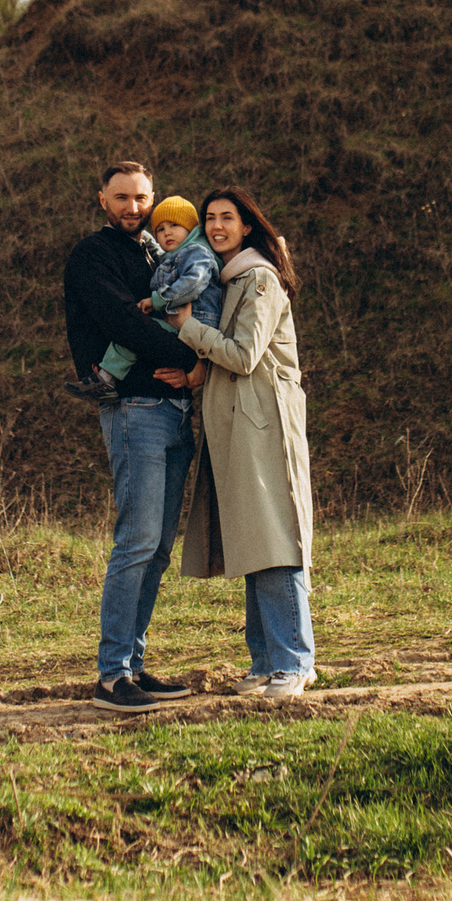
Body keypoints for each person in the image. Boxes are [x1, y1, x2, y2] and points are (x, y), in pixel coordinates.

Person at [60, 161, 204, 715]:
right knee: (137, 542)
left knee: (158, 549)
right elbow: (126, 324)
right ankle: (112, 676)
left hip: (174, 409)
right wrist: (194, 353)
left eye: (142, 198)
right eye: (121, 197)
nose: (133, 208)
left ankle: (134, 666)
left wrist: (193, 369)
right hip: (133, 408)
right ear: (102, 199)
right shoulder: (92, 256)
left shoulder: (156, 251)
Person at [167, 188, 316, 697]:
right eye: (209, 219)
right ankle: (265, 661)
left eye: (227, 218)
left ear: (247, 226)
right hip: (238, 426)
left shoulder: (259, 279)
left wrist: (188, 330)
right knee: (253, 543)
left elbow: (246, 355)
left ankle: (294, 662)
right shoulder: (228, 280)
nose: (216, 226)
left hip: (264, 425)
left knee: (275, 541)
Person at [72, 197, 225, 405]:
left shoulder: (197, 253)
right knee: (132, 340)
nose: (167, 232)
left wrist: (157, 301)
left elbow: (193, 283)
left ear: (190, 229)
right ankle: (105, 380)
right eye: (160, 229)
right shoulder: (174, 254)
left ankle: (105, 379)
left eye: (174, 225)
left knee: (137, 334)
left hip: (197, 322)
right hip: (183, 324)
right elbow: (155, 249)